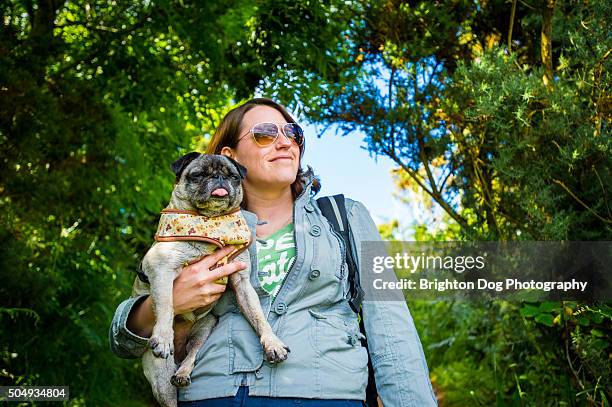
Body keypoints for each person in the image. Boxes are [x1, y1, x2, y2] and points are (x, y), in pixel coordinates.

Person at [109, 98, 438, 406]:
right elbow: (123, 340)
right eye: (265, 134)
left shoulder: (346, 216)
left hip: (325, 395)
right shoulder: (184, 230)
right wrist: (166, 303)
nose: (285, 142)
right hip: (209, 395)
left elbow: (394, 335)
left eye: (292, 133)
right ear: (231, 156)